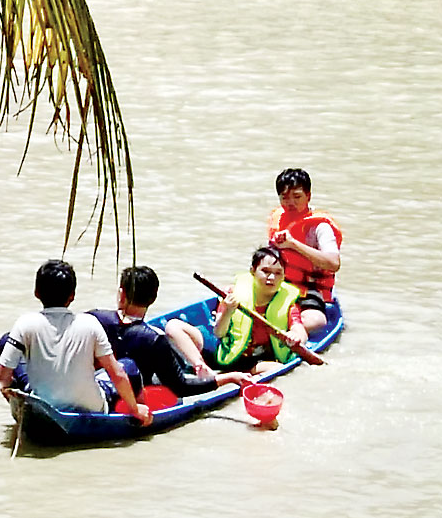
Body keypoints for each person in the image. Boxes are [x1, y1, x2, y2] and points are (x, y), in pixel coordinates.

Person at [0, 260, 152, 424]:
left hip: (44, 402)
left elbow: (1, 375)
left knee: (6, 341)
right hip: (91, 406)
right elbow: (117, 374)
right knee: (128, 365)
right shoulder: (89, 323)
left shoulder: (25, 323)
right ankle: (141, 417)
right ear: (72, 296)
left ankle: (30, 400)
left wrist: (9, 390)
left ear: (36, 292)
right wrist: (135, 409)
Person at [87, 266, 251, 401]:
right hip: (134, 392)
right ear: (153, 298)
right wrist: (229, 378)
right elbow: (181, 387)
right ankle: (199, 365)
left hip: (97, 385)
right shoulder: (154, 340)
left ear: (121, 294)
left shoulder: (94, 318)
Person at [164, 247, 308, 377]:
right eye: (265, 271)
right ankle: (201, 367)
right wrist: (228, 311)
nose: (271, 278)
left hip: (253, 360)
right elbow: (219, 332)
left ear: (283, 276)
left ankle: (236, 374)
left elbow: (299, 329)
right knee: (173, 326)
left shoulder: (287, 302)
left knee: (277, 369)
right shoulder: (232, 293)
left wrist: (296, 336)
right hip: (225, 347)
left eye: (278, 273)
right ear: (253, 271)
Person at [266, 168, 342, 332]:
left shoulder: (320, 227)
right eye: (284, 197)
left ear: (308, 196)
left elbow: (333, 263)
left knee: (316, 321)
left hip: (309, 291)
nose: (290, 202)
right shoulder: (278, 221)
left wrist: (293, 244)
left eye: (297, 196)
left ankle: (286, 332)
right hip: (277, 285)